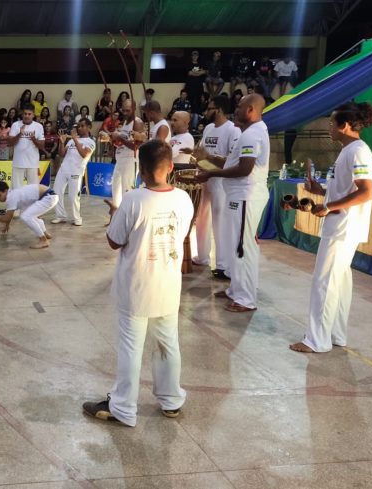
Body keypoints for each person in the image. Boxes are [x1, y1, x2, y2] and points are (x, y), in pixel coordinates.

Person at [82, 140, 194, 428]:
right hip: (168, 285)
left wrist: (115, 215)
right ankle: (171, 400)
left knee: (131, 348)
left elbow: (113, 241)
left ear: (141, 170)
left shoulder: (134, 200)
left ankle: (123, 408)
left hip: (137, 288)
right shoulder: (183, 199)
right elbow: (181, 234)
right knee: (168, 344)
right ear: (170, 167)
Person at [290, 102, 372, 354]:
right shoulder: (348, 150)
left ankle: (317, 340)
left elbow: (366, 192)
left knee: (325, 282)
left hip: (343, 226)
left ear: (345, 126)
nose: (329, 127)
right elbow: (347, 190)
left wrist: (329, 207)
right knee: (338, 282)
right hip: (340, 224)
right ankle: (335, 334)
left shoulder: (358, 151)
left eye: (332, 122)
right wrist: (322, 193)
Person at [196, 94, 269, 312]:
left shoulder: (252, 135)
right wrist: (207, 157)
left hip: (246, 195)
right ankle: (235, 290)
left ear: (250, 110)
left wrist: (211, 174)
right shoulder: (249, 133)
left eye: (239, 107)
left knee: (242, 248)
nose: (235, 110)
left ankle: (246, 298)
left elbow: (244, 169)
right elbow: (232, 162)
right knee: (236, 244)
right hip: (238, 196)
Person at [188, 95, 241, 279]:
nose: (206, 111)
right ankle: (202, 256)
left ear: (218, 109)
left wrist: (209, 163)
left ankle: (222, 264)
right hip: (205, 178)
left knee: (220, 222)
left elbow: (233, 161)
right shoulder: (209, 128)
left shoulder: (232, 130)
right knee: (202, 219)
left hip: (220, 181)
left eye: (209, 107)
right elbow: (201, 150)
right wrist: (195, 157)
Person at [51, 120, 95, 226]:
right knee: (56, 193)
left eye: (82, 126)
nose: (79, 128)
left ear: (89, 127)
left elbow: (84, 154)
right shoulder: (70, 141)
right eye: (78, 126)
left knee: (73, 196)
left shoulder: (90, 142)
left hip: (76, 171)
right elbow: (62, 154)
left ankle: (77, 218)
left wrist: (75, 139)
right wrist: (61, 142)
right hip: (63, 170)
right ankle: (61, 216)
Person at [0, 181, 57, 249]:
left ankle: (43, 240)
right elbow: (10, 215)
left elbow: (6, 218)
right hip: (50, 196)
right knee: (31, 215)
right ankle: (46, 234)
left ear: (6, 191)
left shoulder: (11, 197)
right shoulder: (12, 194)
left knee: (26, 216)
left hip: (48, 197)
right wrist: (6, 226)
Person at [104, 99, 144, 211]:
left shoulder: (137, 123)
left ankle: (127, 217)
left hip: (130, 160)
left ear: (134, 109)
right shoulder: (125, 122)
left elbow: (136, 146)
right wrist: (113, 140)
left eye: (128, 110)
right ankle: (116, 215)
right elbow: (123, 141)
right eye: (123, 110)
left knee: (127, 191)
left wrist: (119, 137)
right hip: (120, 159)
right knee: (116, 189)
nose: (125, 113)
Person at [8, 104, 46, 189]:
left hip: (33, 163)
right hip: (18, 162)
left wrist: (33, 139)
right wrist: (19, 134)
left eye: (29, 114)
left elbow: (42, 146)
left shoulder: (38, 126)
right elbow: (10, 143)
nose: (27, 116)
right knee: (16, 189)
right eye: (25, 114)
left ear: (33, 115)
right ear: (22, 114)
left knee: (33, 190)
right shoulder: (16, 125)